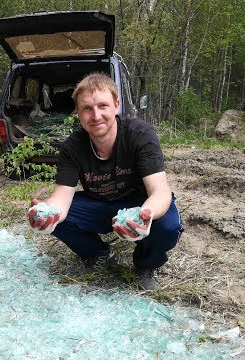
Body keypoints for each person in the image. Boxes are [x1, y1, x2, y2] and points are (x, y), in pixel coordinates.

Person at [27, 73, 183, 290]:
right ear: (78, 113)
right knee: (55, 217)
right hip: (99, 205)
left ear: (116, 105)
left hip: (139, 202)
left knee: (168, 225)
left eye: (103, 106)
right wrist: (47, 214)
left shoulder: (140, 135)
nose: (96, 115)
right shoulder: (72, 147)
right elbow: (61, 197)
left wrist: (143, 216)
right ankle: (97, 253)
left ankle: (146, 264)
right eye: (87, 109)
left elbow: (160, 192)